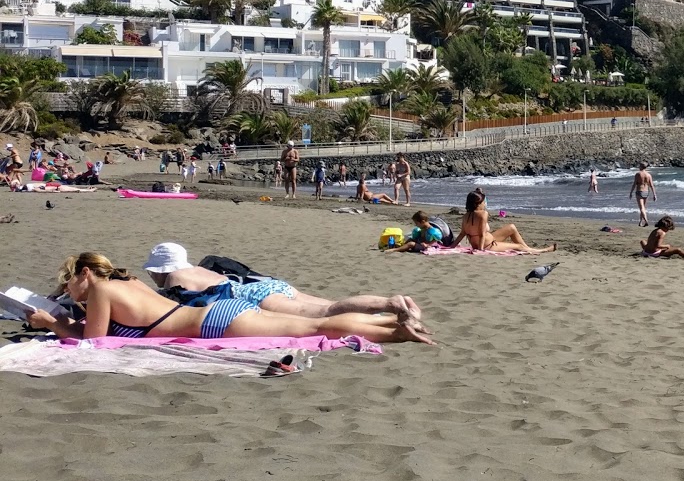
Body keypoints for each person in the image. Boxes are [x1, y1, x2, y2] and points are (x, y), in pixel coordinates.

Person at [26, 252, 431, 344]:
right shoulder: (125, 281)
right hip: (220, 310)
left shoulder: (98, 290)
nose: (67, 292)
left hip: (211, 322)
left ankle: (396, 333)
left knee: (315, 327)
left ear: (84, 274)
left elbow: (94, 340)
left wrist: (52, 322)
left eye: (66, 285)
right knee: (315, 322)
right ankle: (394, 324)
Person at [142, 242, 423, 326]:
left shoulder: (175, 278)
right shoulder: (197, 269)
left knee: (327, 313)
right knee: (328, 305)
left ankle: (391, 304)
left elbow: (173, 308)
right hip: (268, 285)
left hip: (255, 297)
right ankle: (396, 311)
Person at [459, 189, 557, 255]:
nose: (485, 204)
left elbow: (462, 234)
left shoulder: (466, 216)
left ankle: (527, 248)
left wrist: (450, 246)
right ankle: (540, 250)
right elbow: (481, 235)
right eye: (483, 202)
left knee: (511, 227)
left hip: (489, 241)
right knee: (518, 246)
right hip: (488, 246)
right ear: (478, 204)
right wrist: (480, 251)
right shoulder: (483, 214)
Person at [630, 162, 656, 227]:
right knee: (643, 208)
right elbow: (651, 185)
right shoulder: (648, 175)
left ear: (641, 166)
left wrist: (631, 192)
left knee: (641, 208)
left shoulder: (638, 174)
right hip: (646, 192)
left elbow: (634, 184)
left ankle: (646, 221)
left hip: (639, 191)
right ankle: (640, 222)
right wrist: (654, 194)